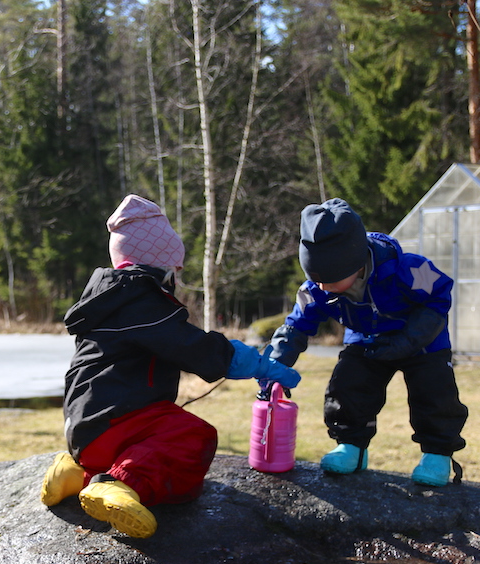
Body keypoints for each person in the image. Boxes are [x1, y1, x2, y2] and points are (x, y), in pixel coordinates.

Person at [40, 194, 300, 538]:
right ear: (161, 269)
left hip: (86, 430)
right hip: (116, 423)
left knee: (155, 432)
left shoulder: (107, 302)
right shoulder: (142, 303)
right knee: (193, 436)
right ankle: (118, 484)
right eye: (175, 269)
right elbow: (192, 347)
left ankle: (77, 475)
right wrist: (252, 362)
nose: (177, 278)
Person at [269, 197, 467, 487]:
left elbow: (440, 295)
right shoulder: (317, 290)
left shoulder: (408, 270)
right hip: (366, 339)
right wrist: (274, 365)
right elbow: (296, 326)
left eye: (332, 280)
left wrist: (406, 341)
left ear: (357, 261)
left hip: (423, 341)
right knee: (348, 384)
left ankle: (437, 453)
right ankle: (352, 446)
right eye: (316, 279)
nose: (323, 288)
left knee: (434, 392)